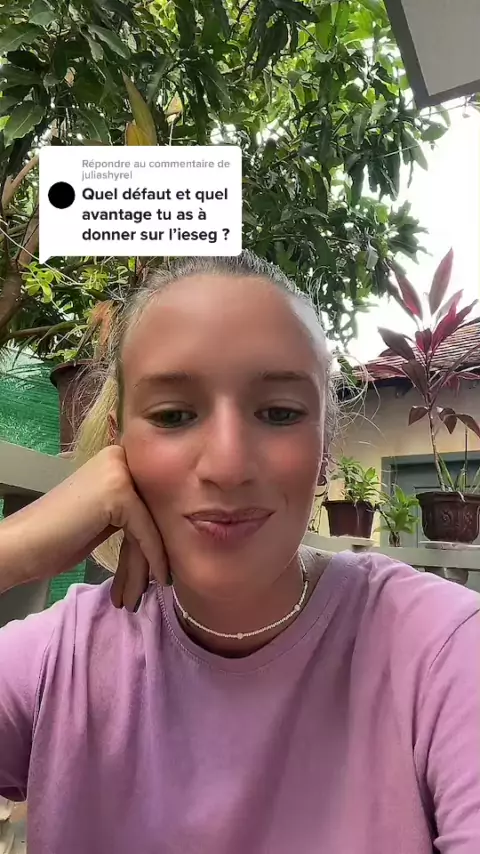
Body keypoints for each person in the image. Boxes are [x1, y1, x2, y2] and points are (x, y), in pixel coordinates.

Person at [0, 251, 479, 854]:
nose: (227, 466)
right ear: (117, 449)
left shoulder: (443, 652)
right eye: (174, 415)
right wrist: (12, 550)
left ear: (325, 448)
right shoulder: (57, 661)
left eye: (279, 413)